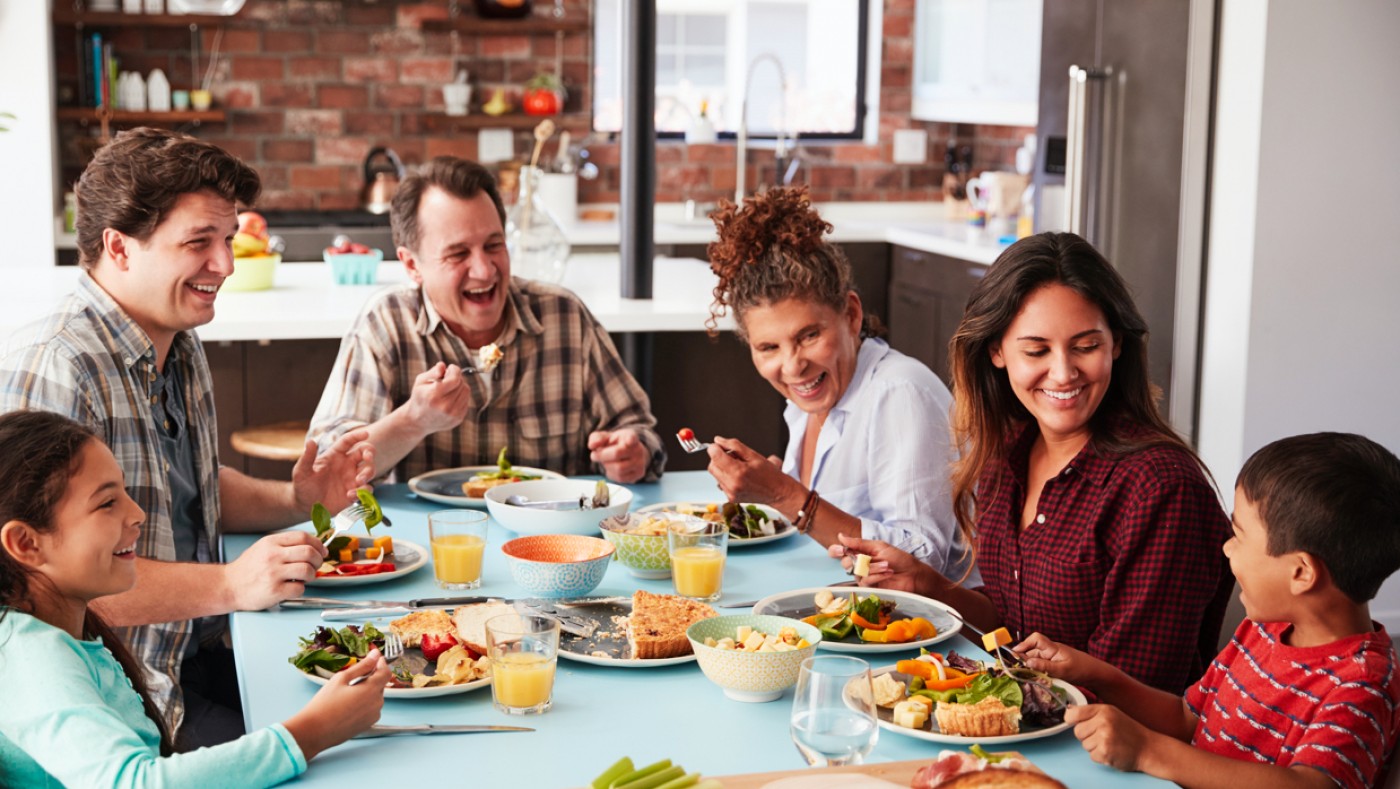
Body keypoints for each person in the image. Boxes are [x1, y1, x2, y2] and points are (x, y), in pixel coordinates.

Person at [0, 128, 375, 747]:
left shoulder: (176, 337)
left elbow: (185, 493)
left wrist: (292, 497)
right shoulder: (58, 367)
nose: (225, 264)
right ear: (119, 248)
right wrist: (233, 583)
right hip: (134, 693)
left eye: (228, 239)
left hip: (207, 644)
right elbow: (50, 588)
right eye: (198, 242)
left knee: (389, 701)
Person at [835, 232, 1233, 692]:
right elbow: (1016, 623)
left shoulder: (1161, 489)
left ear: (1117, 344)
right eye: (1037, 350)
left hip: (1100, 752)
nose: (1063, 373)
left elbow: (1135, 691)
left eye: (1085, 346)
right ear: (997, 351)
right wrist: (931, 587)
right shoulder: (1008, 452)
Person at [0, 410, 390, 786]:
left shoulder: (59, 632)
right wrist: (313, 732)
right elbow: (136, 783)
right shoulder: (35, 660)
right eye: (106, 503)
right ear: (26, 543)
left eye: (125, 492)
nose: (137, 513)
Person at [1018, 432, 1400, 789]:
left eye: (1239, 536)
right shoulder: (1263, 630)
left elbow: (1310, 785)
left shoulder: (1362, 685)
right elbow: (1189, 719)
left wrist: (1149, 751)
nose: (1227, 548)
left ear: (1301, 572)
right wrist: (1096, 674)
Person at [308, 156, 664, 484]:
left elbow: (639, 431)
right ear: (412, 265)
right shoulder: (386, 324)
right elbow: (328, 466)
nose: (484, 269)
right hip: (427, 544)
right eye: (458, 253)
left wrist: (633, 454)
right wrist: (413, 420)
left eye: (494, 245)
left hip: (552, 544)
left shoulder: (565, 317)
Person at [698, 186, 973, 576]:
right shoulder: (808, 400)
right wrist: (772, 490)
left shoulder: (899, 393)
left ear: (851, 315)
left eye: (809, 336)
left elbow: (924, 562)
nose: (792, 367)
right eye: (769, 347)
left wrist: (784, 493)